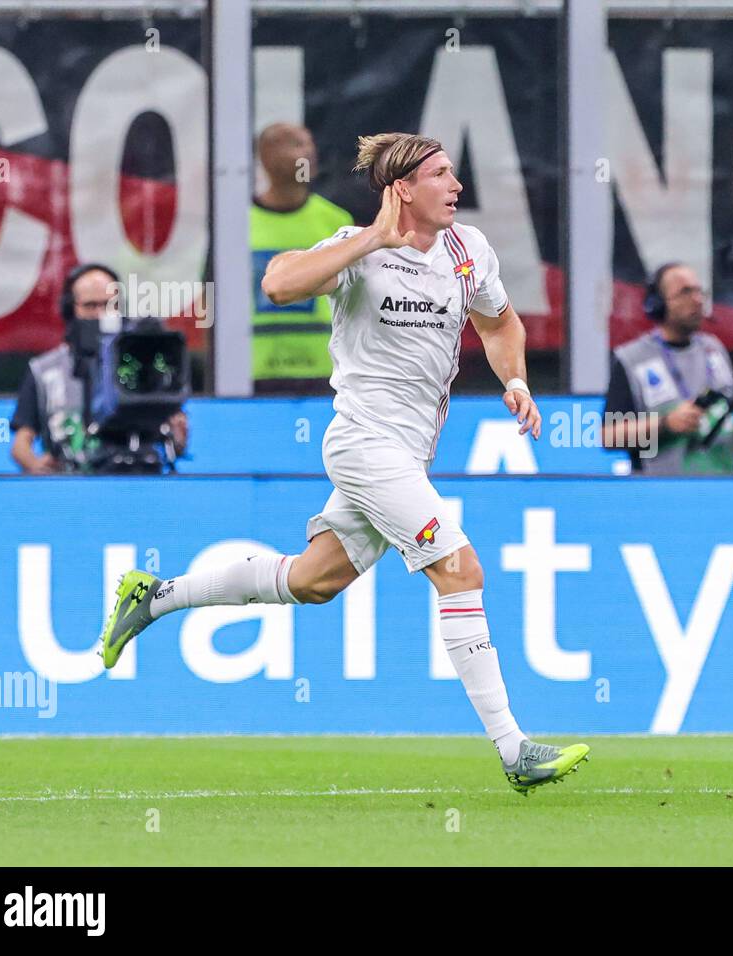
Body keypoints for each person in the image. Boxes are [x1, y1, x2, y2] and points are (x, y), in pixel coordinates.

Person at [98, 133, 589, 794]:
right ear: (402, 189)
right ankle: (513, 749)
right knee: (459, 568)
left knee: (313, 581)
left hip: (408, 455)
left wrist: (518, 383)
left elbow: (500, 325)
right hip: (364, 444)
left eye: (454, 174)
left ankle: (154, 597)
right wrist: (369, 240)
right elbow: (276, 283)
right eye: (441, 175)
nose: (456, 186)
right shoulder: (355, 248)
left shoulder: (468, 252)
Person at [9, 263, 188, 474]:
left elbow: (173, 438)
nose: (100, 314)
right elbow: (20, 445)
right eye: (90, 306)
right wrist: (35, 465)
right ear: (70, 309)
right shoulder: (44, 371)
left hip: (138, 482)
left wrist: (178, 439)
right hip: (69, 489)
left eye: (108, 305)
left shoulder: (143, 364)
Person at [602, 262, 733, 474]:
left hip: (723, 490)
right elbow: (609, 436)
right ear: (657, 304)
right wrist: (665, 424)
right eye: (685, 292)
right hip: (662, 495)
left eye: (700, 291)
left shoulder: (714, 350)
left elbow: (725, 430)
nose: (697, 300)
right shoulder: (633, 359)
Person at [251, 122, 355, 393]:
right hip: (252, 374)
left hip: (325, 373)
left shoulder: (336, 220)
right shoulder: (235, 224)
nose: (308, 151)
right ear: (265, 155)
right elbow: (210, 299)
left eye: (310, 143)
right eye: (295, 144)